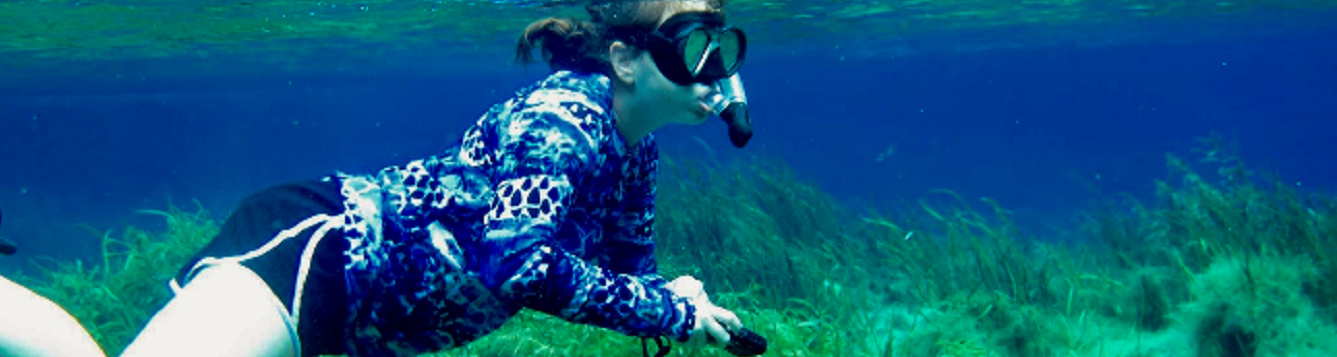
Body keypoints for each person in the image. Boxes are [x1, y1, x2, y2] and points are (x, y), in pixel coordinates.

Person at [0, 0, 757, 356]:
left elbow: (630, 267)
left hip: (350, 311)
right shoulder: (565, 120)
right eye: (693, 41)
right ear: (625, 58)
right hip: (315, 255)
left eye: (722, 41)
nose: (714, 66)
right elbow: (518, 260)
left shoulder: (636, 144)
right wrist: (664, 313)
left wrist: (675, 299)